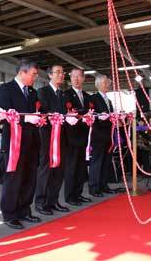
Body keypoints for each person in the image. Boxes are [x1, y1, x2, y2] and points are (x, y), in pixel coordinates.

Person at [0, 59, 41, 230]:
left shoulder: (32, 92)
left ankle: (24, 210)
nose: (35, 78)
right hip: (14, 141)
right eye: (33, 74)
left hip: (32, 140)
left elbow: (37, 110)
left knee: (29, 177)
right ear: (22, 72)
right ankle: (9, 214)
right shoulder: (6, 89)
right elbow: (4, 113)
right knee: (13, 178)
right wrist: (25, 118)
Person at [35, 64, 70, 216]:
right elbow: (44, 112)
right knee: (45, 169)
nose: (61, 75)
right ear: (49, 75)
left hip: (62, 136)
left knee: (59, 169)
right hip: (47, 137)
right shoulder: (42, 92)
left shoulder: (63, 94)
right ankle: (40, 202)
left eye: (63, 73)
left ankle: (53, 201)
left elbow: (66, 112)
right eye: (57, 72)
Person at [63, 68, 92, 206]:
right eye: (73, 76)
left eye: (79, 76)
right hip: (71, 137)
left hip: (84, 136)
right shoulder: (65, 94)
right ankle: (70, 196)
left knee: (81, 168)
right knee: (71, 168)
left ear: (83, 78)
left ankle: (78, 194)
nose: (76, 79)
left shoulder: (87, 96)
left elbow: (90, 112)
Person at [89, 75, 114, 197]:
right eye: (105, 82)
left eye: (108, 82)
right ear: (98, 84)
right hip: (98, 135)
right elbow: (91, 115)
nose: (108, 84)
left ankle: (103, 184)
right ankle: (94, 187)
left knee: (106, 161)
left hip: (108, 134)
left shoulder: (108, 100)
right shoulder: (93, 98)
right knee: (97, 162)